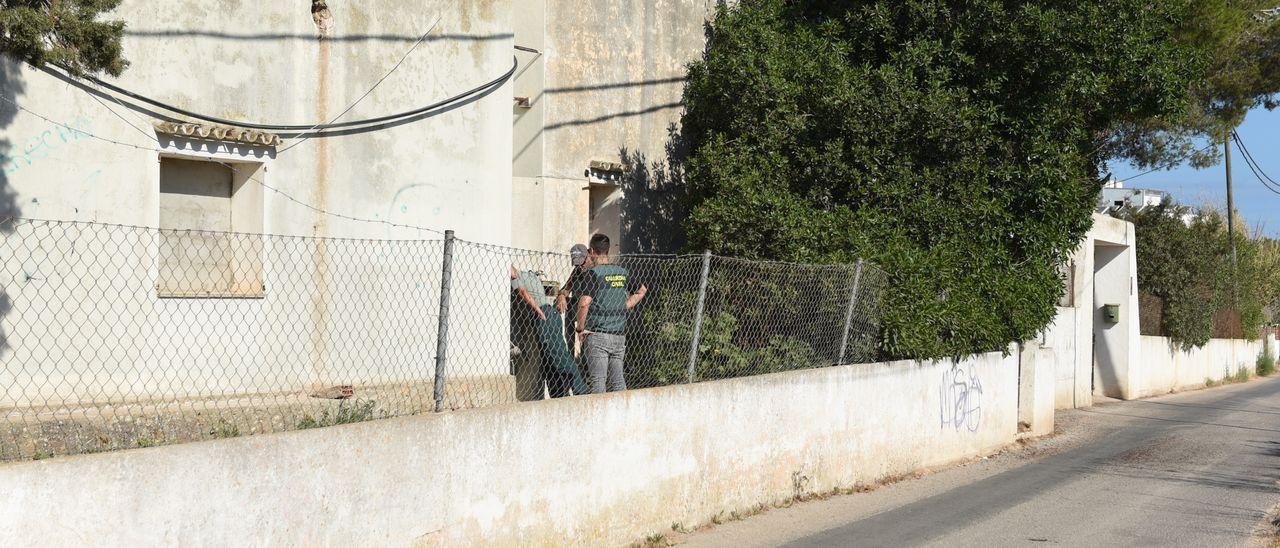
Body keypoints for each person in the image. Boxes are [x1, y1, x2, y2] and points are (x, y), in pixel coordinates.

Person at [575, 234, 647, 393]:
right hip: (619, 336)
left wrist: (580, 328)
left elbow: (584, 302)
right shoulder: (622, 272)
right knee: (618, 382)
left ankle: (598, 417)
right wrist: (624, 306)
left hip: (597, 335)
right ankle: (622, 416)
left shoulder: (593, 274)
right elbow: (641, 291)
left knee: (598, 382)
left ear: (592, 251)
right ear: (607, 251)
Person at [511, 266, 590, 399]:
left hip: (544, 315)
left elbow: (523, 292)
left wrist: (539, 311)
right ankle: (558, 396)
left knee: (559, 357)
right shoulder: (527, 275)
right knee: (549, 362)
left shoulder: (515, 275)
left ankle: (581, 391)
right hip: (548, 315)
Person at [556, 244, 593, 354]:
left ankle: (585, 361)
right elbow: (566, 288)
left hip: (590, 311)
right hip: (576, 308)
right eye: (577, 263)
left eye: (582, 261)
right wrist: (562, 296)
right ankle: (570, 354)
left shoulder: (594, 271)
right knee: (568, 306)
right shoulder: (577, 271)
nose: (580, 266)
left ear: (588, 255)